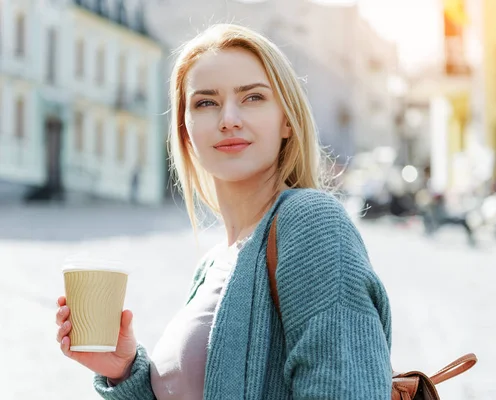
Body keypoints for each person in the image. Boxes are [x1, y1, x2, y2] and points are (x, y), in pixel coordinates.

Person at [55, 24, 392, 399]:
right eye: (205, 102)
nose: (228, 118)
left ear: (286, 120)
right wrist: (123, 371)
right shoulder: (213, 264)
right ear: (185, 130)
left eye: (252, 98)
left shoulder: (312, 223)